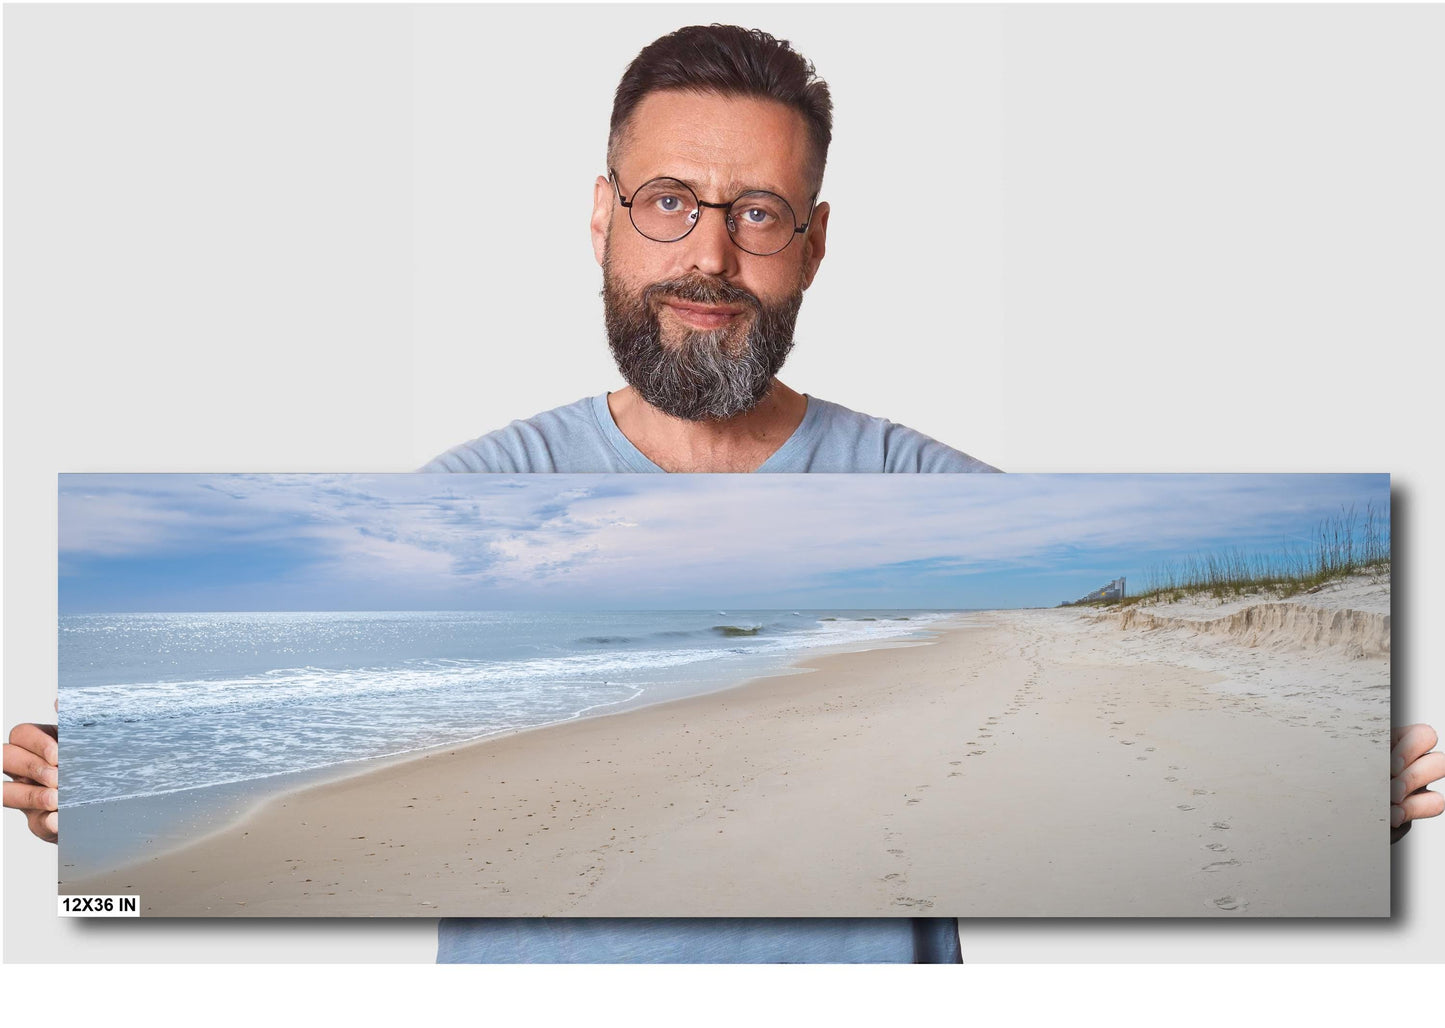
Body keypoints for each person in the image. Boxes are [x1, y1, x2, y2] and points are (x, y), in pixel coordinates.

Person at [7, 23, 1443, 963]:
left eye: (756, 213)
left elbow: (1128, 778)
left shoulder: (935, 497)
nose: (708, 255)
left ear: (811, 243)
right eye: (668, 202)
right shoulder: (464, 500)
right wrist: (108, 784)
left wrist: (1339, 800)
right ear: (602, 217)